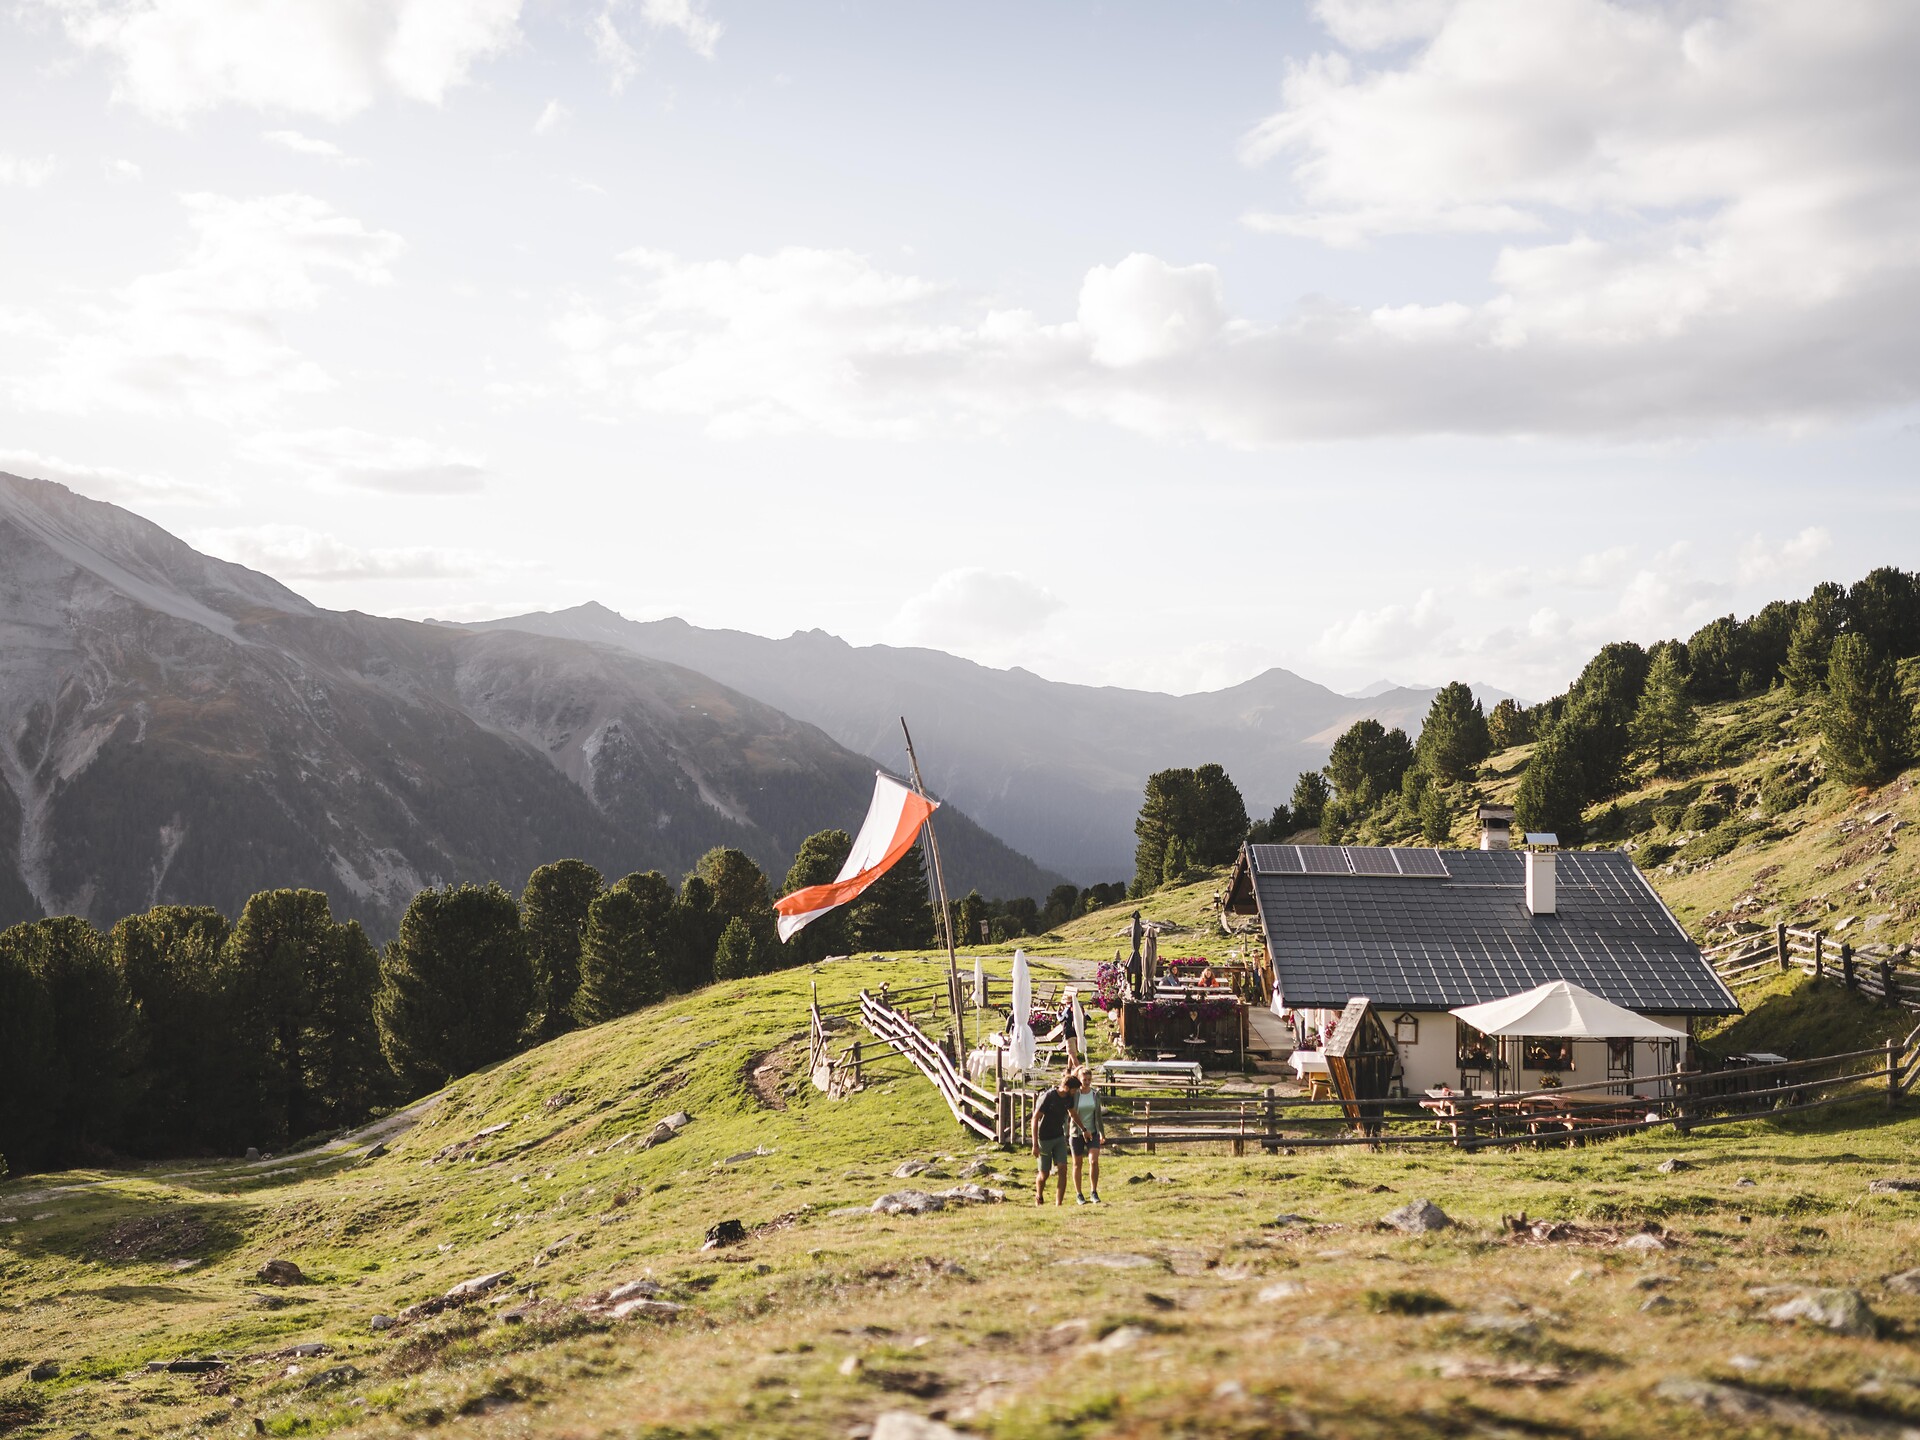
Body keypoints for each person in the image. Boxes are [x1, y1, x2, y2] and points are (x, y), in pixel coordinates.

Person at [1031, 1073, 1088, 1206]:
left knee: (1063, 1169)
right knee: (1044, 1174)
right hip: (1044, 1139)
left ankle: (1059, 1204)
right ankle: (1039, 1195)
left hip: (1059, 1137)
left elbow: (1073, 1114)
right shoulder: (1049, 1097)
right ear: (1067, 1088)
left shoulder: (1069, 1098)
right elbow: (1034, 1119)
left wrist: (1084, 1129)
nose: (1075, 1093)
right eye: (1074, 1090)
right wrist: (1035, 1144)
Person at [1069, 1065, 1107, 1204]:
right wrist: (1082, 1129)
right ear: (1079, 1079)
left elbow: (1098, 1116)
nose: (1087, 1082)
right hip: (1076, 1133)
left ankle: (1094, 1191)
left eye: (1089, 1079)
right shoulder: (1074, 1094)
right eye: (1084, 1079)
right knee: (1077, 1164)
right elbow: (1071, 1114)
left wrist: (1102, 1133)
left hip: (1093, 1132)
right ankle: (1079, 1194)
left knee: (1093, 1160)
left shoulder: (1095, 1094)